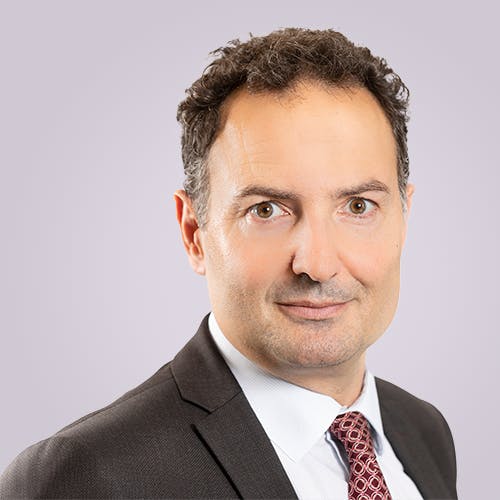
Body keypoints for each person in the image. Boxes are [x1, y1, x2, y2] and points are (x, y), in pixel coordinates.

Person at [0, 28, 457, 499]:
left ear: (404, 217)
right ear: (194, 233)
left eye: (358, 206)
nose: (318, 264)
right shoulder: (87, 476)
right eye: (267, 210)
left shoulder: (423, 432)